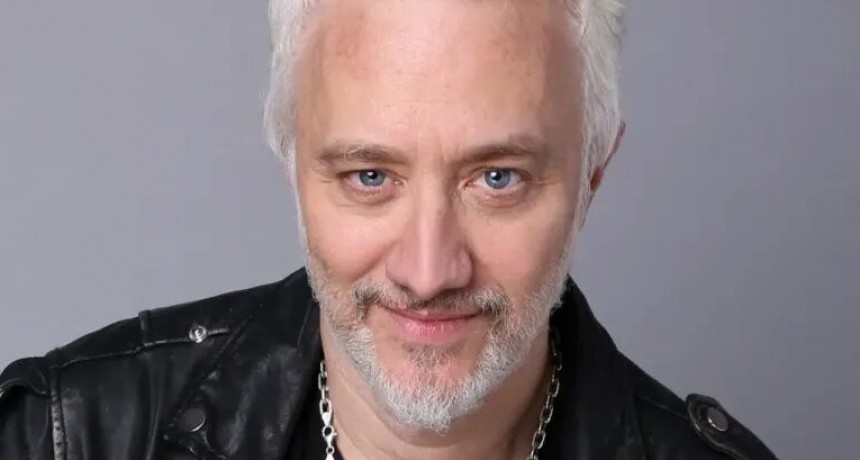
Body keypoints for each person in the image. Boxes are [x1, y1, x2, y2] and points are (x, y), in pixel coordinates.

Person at [0, 0, 778, 459]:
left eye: (497, 178)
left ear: (593, 175)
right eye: (370, 176)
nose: (429, 271)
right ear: (291, 160)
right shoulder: (65, 439)